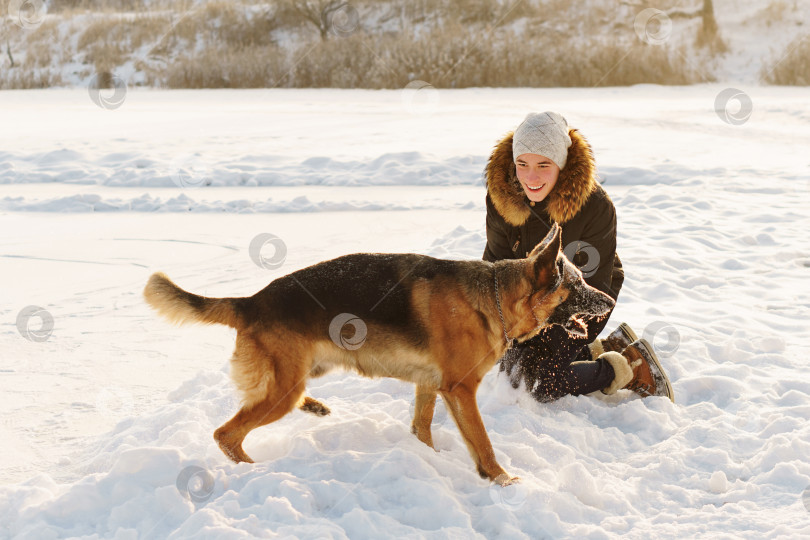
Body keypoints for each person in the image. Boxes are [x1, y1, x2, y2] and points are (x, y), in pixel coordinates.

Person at [483, 111, 674, 402]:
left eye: (543, 165)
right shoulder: (502, 198)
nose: (530, 177)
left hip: (583, 298)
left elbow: (590, 285)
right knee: (505, 370)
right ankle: (599, 349)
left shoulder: (594, 206)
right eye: (522, 164)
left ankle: (628, 367)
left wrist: (535, 333)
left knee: (536, 383)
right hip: (527, 303)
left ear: (561, 164)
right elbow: (493, 268)